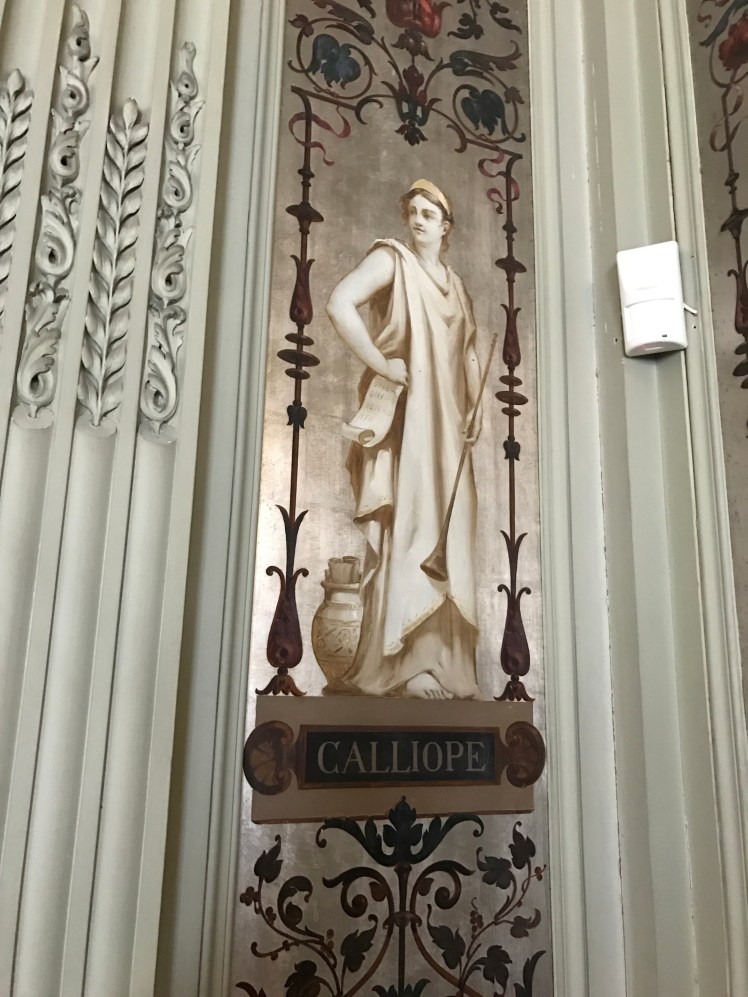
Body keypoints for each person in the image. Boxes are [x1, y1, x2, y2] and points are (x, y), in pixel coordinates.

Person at [326, 180, 484, 699]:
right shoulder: (392, 260)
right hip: (411, 422)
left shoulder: (456, 286)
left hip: (449, 429)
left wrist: (477, 407)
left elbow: (468, 350)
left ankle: (446, 662)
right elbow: (339, 302)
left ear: (446, 226)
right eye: (412, 211)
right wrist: (381, 363)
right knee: (414, 526)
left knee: (449, 535)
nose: (417, 220)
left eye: (428, 214)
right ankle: (402, 664)